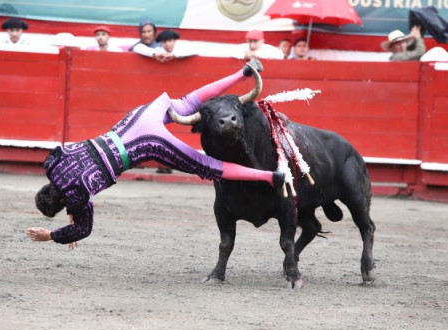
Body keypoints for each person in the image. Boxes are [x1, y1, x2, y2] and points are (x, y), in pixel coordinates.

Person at [26, 60, 284, 247]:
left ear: (63, 203)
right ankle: (243, 72)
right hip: (134, 121)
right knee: (188, 102)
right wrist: (71, 207)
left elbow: (83, 228)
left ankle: (270, 176)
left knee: (206, 165)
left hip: (147, 143)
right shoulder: (53, 163)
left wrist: (51, 235)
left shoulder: (76, 196)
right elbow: (70, 189)